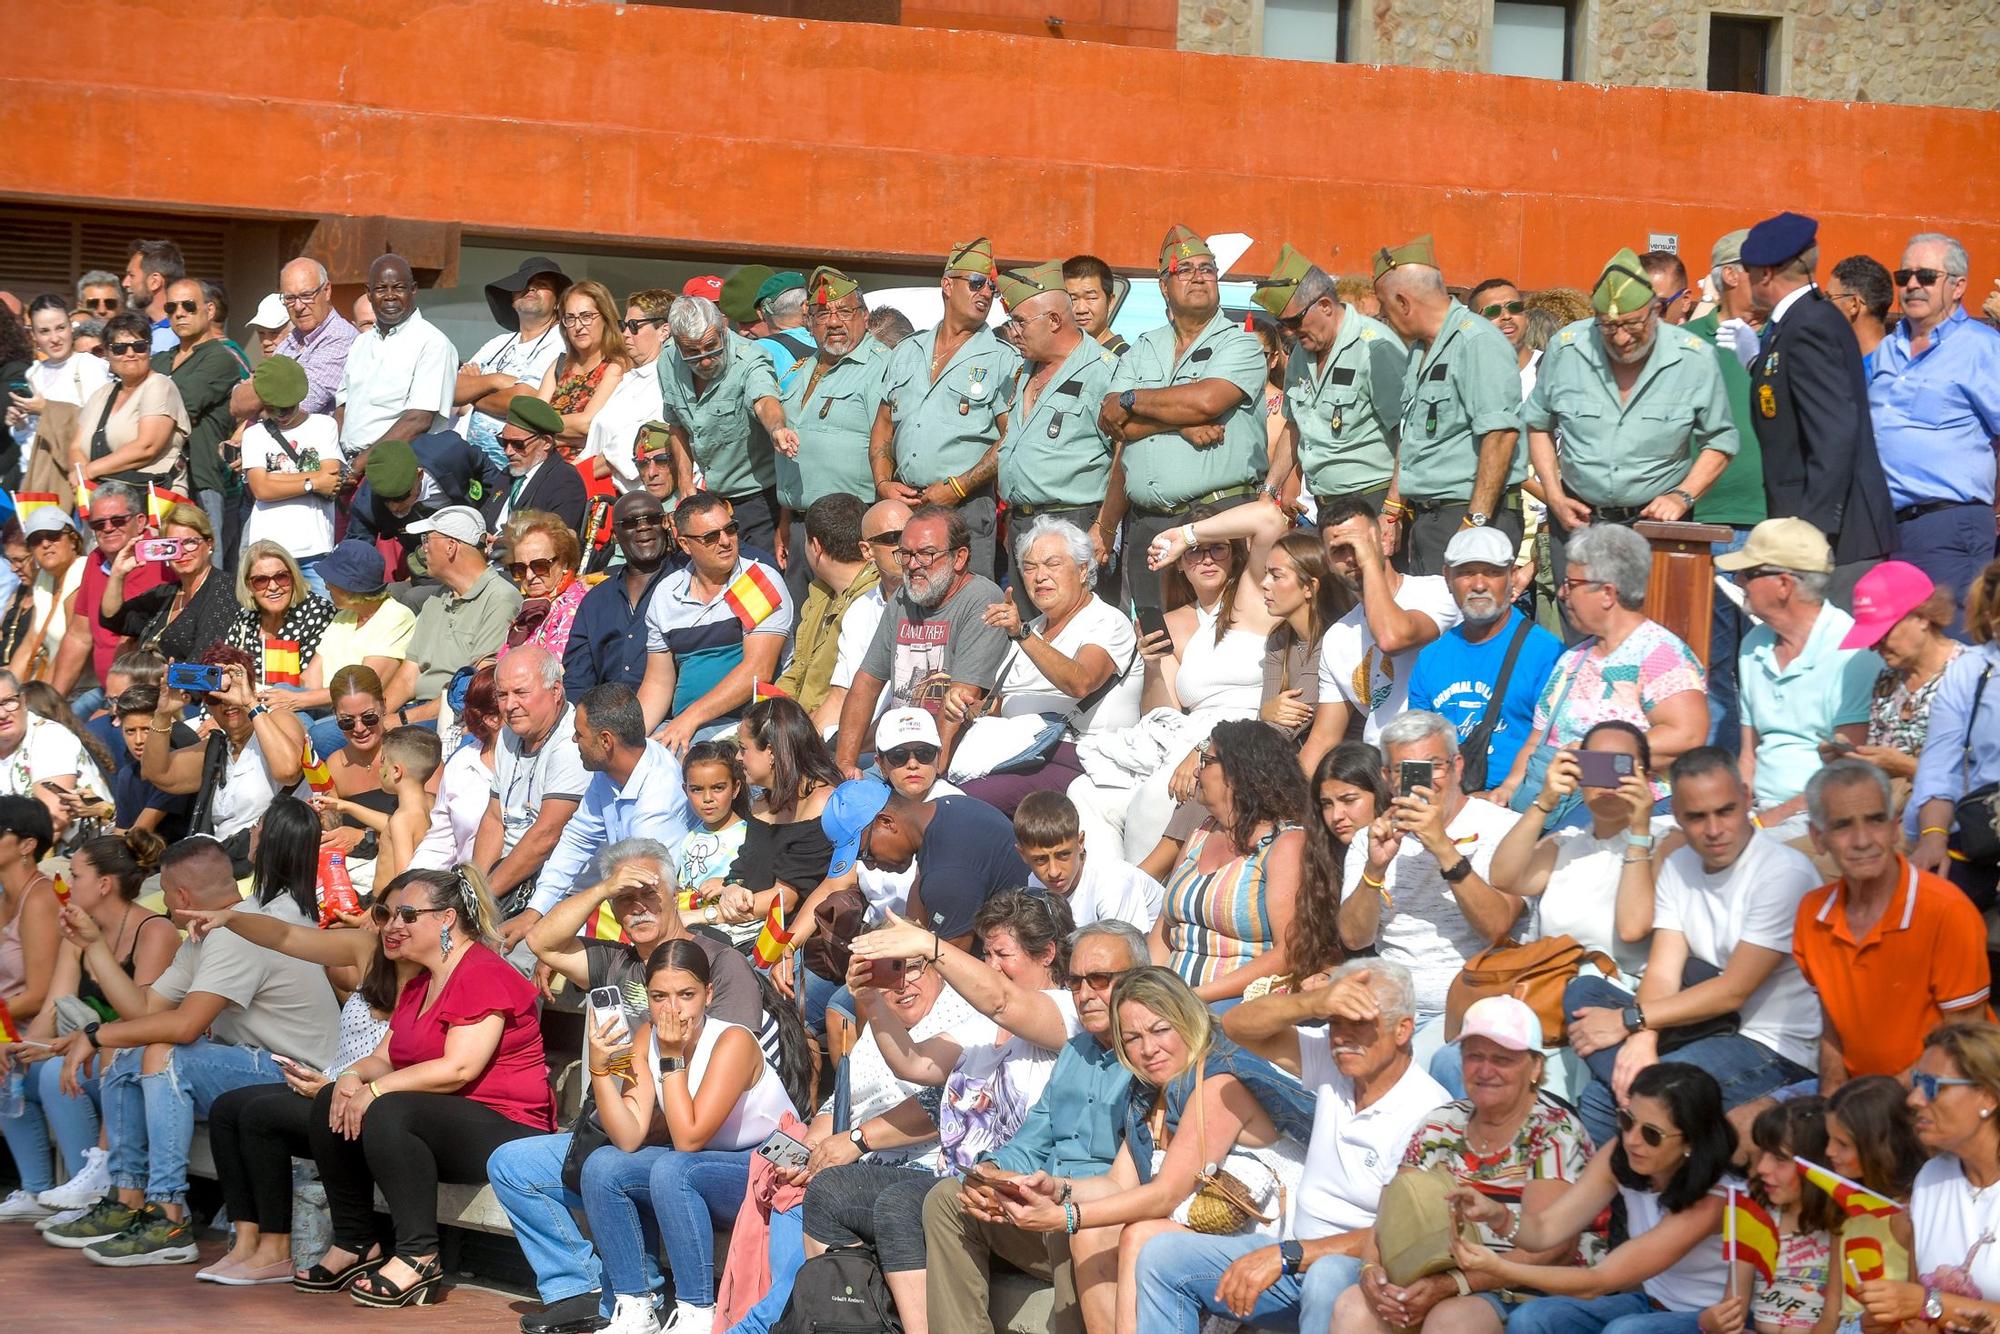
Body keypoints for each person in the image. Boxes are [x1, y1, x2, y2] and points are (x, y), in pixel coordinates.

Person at [498, 838, 772, 1332]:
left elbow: (699, 1106)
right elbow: (540, 940)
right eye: (627, 898)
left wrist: (649, 1103)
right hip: (624, 1119)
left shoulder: (716, 963)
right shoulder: (621, 963)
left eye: (649, 892)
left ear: (674, 893)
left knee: (660, 1165)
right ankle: (600, 1295)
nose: (672, 1006)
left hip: (706, 1138)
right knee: (519, 1164)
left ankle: (692, 1308)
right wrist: (605, 886)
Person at [42, 819, 338, 1265]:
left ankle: (169, 1218)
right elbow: (144, 1009)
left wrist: (94, 1033)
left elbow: (182, 1028)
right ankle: (128, 1200)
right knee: (132, 1050)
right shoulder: (208, 931)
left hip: (299, 1074)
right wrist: (94, 947)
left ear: (180, 897)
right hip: (253, 1066)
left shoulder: (240, 931)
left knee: (163, 1054)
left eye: (164, 893)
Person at [809, 893, 1079, 1334]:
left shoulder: (1066, 1011)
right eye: (986, 953)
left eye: (1003, 954)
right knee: (831, 1189)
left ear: (1047, 953)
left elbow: (1003, 1002)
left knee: (906, 1203)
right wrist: (872, 1000)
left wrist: (929, 946)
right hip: (956, 1185)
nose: (991, 965)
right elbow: (915, 1063)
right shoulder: (980, 1025)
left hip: (1018, 1193)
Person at [1125, 961, 1441, 1333]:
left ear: (1404, 1029)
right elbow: (1237, 1026)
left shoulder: (1427, 1112)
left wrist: (1292, 1255)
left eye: (1361, 1023)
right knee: (1160, 1257)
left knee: (1326, 1276)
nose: (1343, 1036)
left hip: (1360, 1272)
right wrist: (1314, 1002)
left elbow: (1396, 1238)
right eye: (1337, 1022)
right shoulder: (1335, 1062)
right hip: (1296, 1259)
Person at [998, 965, 1316, 1334]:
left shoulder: (1217, 1082)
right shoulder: (1149, 1092)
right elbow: (1119, 1182)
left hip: (1275, 1245)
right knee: (1089, 1234)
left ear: (1188, 1020)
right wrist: (1057, 1191)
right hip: (1212, 1233)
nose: (1148, 1049)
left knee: (1142, 1236)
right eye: (1132, 1038)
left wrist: (1063, 1217)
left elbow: (1165, 1195)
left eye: (1160, 1030)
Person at [303, 867, 553, 1307]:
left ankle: (419, 1256)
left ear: (446, 919)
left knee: (389, 1108)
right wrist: (350, 1077)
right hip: (443, 1123)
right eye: (388, 914)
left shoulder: (482, 971)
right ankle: (356, 1241)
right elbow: (385, 1057)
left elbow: (460, 1067)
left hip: (507, 1128)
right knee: (331, 1099)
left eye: (406, 914)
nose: (392, 925)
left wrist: (376, 1091)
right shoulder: (421, 980)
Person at [1562, 748, 1822, 1149]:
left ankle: (1609, 1185)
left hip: (1775, 1045)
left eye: (1726, 811)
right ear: (1678, 816)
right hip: (1708, 1023)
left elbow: (1735, 988)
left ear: (1748, 799)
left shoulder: (1783, 872)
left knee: (1616, 1098)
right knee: (1582, 993)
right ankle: (1641, 1094)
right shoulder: (1681, 863)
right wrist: (1641, 1038)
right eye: (1697, 817)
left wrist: (1630, 1022)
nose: (1714, 829)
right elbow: (1664, 971)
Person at [920, 918, 1148, 1334]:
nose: (1085, 995)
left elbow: (1137, 1180)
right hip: (1046, 1199)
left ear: (1140, 980)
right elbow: (1032, 1138)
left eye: (1100, 980)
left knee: (1068, 1222)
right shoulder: (1076, 1050)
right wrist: (990, 1172)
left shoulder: (1152, 1057)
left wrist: (1056, 1202)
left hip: (1102, 1216)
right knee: (949, 1199)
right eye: (1076, 983)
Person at [1333, 994, 1603, 1334]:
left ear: (1535, 1068)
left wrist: (1452, 1284)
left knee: (1452, 1322)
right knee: (1353, 1306)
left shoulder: (1553, 1131)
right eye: (1474, 1056)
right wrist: (1372, 1269)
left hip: (1531, 1288)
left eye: (1502, 1059)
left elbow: (1550, 1250)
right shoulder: (1441, 1123)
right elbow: (1390, 1214)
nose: (1485, 1070)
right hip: (1439, 1273)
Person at [580, 937, 796, 1334]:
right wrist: (599, 1071)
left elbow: (689, 1139)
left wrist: (672, 1056)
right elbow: (628, 1136)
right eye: (659, 996)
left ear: (708, 994)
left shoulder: (734, 1041)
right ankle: (635, 1306)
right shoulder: (645, 1037)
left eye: (686, 994)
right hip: (705, 1164)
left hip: (771, 1165)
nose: (672, 1009)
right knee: (602, 1166)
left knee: (674, 1168)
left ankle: (697, 1313)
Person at [1451, 1063, 1735, 1334]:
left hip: (1713, 1319)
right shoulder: (1623, 1154)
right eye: (1627, 1120)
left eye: (1652, 1134)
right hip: (1652, 1305)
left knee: (1625, 1331)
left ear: (1691, 1142)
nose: (1632, 1140)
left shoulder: (1713, 1200)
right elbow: (1545, 1230)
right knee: (1533, 1319)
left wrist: (1497, 1267)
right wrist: (1497, 1214)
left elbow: (1598, 1282)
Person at [1066, 503, 1272, 863]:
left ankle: (1143, 901)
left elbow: (1268, 518)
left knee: (1156, 796)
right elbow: (1165, 713)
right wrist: (1152, 665)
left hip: (1244, 734)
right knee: (1085, 791)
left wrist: (1187, 536)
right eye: (1194, 553)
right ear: (1179, 564)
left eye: (1217, 548)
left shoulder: (1255, 597)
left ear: (1234, 555)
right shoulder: (1172, 621)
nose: (1206, 559)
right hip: (1184, 736)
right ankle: (1113, 903)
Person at [1525, 249, 1737, 586]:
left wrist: (1682, 495)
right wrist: (1553, 494)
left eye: (1633, 325)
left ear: (1656, 311)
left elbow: (1721, 441)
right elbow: (1537, 424)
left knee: (1656, 630)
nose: (1621, 339)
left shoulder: (1693, 358)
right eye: (1608, 328)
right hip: (1577, 520)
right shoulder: (1567, 349)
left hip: (1657, 524)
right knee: (1585, 630)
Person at [0, 828, 175, 1223]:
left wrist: (68, 1045)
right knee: (12, 1066)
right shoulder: (76, 932)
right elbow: (53, 1009)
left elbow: (143, 1019)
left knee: (52, 1075)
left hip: (128, 1053)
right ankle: (37, 1188)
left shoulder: (155, 931)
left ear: (103, 884)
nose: (65, 883)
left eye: (75, 875)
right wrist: (23, 1045)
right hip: (88, 1047)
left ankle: (89, 1187)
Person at [1340, 709, 1523, 1081]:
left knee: (1415, 1075)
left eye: (1432, 766)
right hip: (1388, 1006)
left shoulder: (1502, 828)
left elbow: (1498, 926)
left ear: (1456, 765)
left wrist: (1443, 848)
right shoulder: (1370, 838)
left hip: (1470, 1007)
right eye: (1406, 770)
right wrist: (1374, 870)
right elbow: (1354, 937)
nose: (1422, 781)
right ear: (1389, 778)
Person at [1097, 225, 1270, 613]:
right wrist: (1178, 423)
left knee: (1229, 631)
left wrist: (1133, 399)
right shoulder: (1144, 346)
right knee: (1155, 641)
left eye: (1207, 268)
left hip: (1218, 520)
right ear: (1163, 285)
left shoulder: (1239, 343)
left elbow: (1206, 401)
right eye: (1186, 269)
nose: (1199, 276)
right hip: (1148, 526)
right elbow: (1112, 420)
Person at [1792, 759, 1989, 1092]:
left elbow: (1961, 1043)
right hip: (1859, 1096)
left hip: (1937, 1096)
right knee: (1751, 1127)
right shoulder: (1813, 914)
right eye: (1842, 826)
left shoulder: (1946, 910)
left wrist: (1865, 1111)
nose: (1862, 840)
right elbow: (1832, 1024)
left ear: (1895, 827)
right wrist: (1829, 1100)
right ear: (1818, 837)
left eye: (1875, 820)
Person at [1495, 523, 1709, 822]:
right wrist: (1507, 790)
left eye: (1571, 584)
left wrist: (1592, 756)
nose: (1561, 593)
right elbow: (1537, 741)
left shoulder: (1660, 654)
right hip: (1552, 806)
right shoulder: (1573, 659)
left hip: (1625, 812)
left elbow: (1686, 736)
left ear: (1607, 592)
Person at [1740, 212, 1894, 601]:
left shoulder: (1809, 325)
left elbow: (1834, 432)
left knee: (1836, 655)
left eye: (1748, 270)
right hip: (1819, 532)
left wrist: (1809, 532)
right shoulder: (1796, 322)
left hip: (1836, 541)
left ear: (1767, 274)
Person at [954, 516, 1142, 813]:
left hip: (1078, 755)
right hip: (1017, 753)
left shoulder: (1106, 621)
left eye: (1052, 564)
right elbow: (1003, 706)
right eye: (1029, 567)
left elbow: (1080, 681)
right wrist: (967, 707)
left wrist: (1021, 634)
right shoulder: (1036, 628)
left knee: (960, 805)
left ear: (1082, 570)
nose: (1039, 576)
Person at [1719, 518, 1883, 840]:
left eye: (1749, 573)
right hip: (1761, 814)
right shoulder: (1754, 644)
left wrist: (1767, 821)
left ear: (1784, 584)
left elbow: (1847, 772)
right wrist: (1734, 813)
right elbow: (1748, 756)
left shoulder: (1853, 652)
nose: (1738, 580)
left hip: (1823, 815)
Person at [1370, 235, 1526, 573]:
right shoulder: (1420, 350)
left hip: (1471, 515)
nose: (1384, 316)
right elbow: (1412, 438)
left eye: (1385, 307)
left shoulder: (1477, 341)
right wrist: (1393, 509)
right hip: (1432, 519)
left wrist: (1474, 524)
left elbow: (1500, 436)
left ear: (1403, 302)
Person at [870, 238, 1021, 581]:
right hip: (908, 505)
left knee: (968, 607)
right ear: (948, 285)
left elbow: (1013, 436)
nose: (985, 293)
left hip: (965, 509)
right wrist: (883, 482)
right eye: (977, 283)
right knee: (908, 603)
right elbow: (883, 426)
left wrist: (958, 487)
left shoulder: (1002, 358)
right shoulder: (908, 350)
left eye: (992, 288)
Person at [1867, 232, 2000, 619]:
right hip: (1885, 529)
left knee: (1950, 651)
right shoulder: (1888, 348)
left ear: (1958, 286)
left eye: (1926, 276)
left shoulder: (1982, 348)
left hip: (1948, 525)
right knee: (1896, 653)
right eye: (1903, 275)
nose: (1911, 285)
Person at [833, 503, 1010, 775]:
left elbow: (958, 704)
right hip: (897, 751)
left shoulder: (981, 600)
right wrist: (844, 764)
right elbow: (866, 684)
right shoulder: (904, 598)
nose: (913, 565)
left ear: (959, 558)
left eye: (926, 554)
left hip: (946, 761)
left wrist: (929, 778)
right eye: (905, 554)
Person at [1488, 721, 1661, 992]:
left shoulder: (1666, 842)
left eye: (1620, 767)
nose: (1607, 783)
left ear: (1646, 775)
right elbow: (1503, 878)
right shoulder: (1566, 843)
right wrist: (1544, 801)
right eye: (1596, 766)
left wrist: (1639, 833)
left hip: (1618, 1002)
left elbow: (1633, 928)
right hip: (1550, 994)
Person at [516, 683, 694, 942]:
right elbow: (576, 841)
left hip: (655, 923)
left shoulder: (656, 807)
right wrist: (533, 912)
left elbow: (647, 895)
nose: (574, 740)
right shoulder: (608, 774)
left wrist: (560, 939)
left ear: (606, 741)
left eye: (579, 734)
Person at [1852, 1023, 2000, 1328]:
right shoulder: (1931, 1178)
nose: (1914, 1099)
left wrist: (1927, 1303)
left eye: (1933, 1086)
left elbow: (1924, 1302)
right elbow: (1919, 1318)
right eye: (1917, 1082)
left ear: (1987, 1097)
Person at [1149, 718, 1306, 1005]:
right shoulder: (1200, 834)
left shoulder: (1284, 845)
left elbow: (1290, 952)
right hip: (1175, 1003)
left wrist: (1194, 998)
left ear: (1237, 773)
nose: (1197, 771)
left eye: (1207, 761)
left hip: (1239, 1005)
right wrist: (1151, 994)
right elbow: (1163, 932)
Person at [990, 261, 1121, 605]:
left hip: (1076, 523)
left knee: (1077, 633)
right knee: (1030, 636)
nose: (1013, 332)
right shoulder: (1025, 370)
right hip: (1023, 525)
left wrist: (1104, 528)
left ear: (1054, 320)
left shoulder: (1103, 373)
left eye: (1020, 322)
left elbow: (1125, 455)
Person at [636, 490, 793, 752]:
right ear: (685, 545)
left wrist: (689, 719)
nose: (725, 541)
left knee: (688, 760)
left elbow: (758, 671)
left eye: (730, 529)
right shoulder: (667, 594)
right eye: (711, 536)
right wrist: (630, 740)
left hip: (750, 724)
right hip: (686, 724)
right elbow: (657, 684)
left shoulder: (753, 581)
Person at [1409, 525, 1564, 790]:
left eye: (1492, 573)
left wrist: (1505, 802)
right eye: (1466, 573)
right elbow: (1417, 751)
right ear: (1447, 577)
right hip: (1446, 806)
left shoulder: (1547, 653)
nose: (1479, 585)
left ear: (1513, 577)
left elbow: (1557, 750)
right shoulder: (1430, 658)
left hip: (1519, 808)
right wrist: (1414, 806)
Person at [1255, 247, 1408, 515]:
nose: (1289, 332)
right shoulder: (1302, 354)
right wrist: (1269, 492)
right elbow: (1294, 426)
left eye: (1294, 320)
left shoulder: (1374, 347)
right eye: (1282, 323)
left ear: (1325, 306)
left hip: (1372, 500)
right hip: (1324, 505)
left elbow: (1407, 433)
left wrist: (1392, 509)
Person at [775, 267, 890, 577]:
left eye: (845, 311)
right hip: (801, 525)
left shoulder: (882, 366)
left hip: (852, 525)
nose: (835, 322)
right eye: (823, 314)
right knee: (804, 621)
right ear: (809, 322)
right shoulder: (802, 369)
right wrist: (785, 521)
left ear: (865, 317)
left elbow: (892, 450)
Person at [659, 293, 792, 559]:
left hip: (760, 502)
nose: (705, 360)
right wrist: (685, 484)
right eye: (693, 353)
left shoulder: (750, 357)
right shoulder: (668, 361)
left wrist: (777, 428)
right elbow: (677, 426)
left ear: (723, 328)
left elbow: (764, 401)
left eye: (711, 346)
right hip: (712, 500)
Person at [141, 646, 307, 855]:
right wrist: (163, 714)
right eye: (215, 696)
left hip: (277, 859)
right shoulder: (216, 749)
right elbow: (157, 773)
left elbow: (288, 771)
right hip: (227, 863)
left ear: (251, 686)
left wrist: (249, 703)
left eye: (231, 689)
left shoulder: (278, 719)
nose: (227, 702)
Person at [1910, 558, 2000, 910]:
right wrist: (1933, 836)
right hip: (1986, 831)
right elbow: (1939, 766)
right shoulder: (1971, 670)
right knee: (1929, 898)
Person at [382, 504, 523, 726]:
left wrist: (401, 720)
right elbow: (408, 676)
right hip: (415, 713)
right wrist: (375, 717)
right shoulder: (437, 599)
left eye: (427, 539)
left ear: (451, 547)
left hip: (456, 717)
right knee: (332, 732)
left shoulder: (500, 599)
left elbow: (475, 688)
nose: (423, 549)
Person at [473, 645, 586, 919]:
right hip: (507, 881)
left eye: (521, 693)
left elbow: (546, 837)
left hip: (558, 890)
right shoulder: (508, 735)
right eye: (502, 695)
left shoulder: (573, 743)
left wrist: (481, 900)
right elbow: (494, 818)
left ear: (556, 691)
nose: (510, 705)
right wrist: (474, 889)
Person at [280, 539, 417, 758]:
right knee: (277, 701)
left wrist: (296, 701)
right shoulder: (343, 616)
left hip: (356, 714)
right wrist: (274, 694)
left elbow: (364, 689)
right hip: (322, 705)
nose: (325, 586)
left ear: (350, 587)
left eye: (331, 581)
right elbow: (311, 678)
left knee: (312, 731)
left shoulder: (396, 616)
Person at [1832, 560, 1962, 786]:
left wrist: (1908, 768)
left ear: (1922, 617)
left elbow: (1984, 782)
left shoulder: (1974, 676)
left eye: (1883, 633)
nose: (1873, 646)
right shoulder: (1888, 680)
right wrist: (1849, 760)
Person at [335, 254, 457, 471]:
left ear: (414, 290)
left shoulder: (432, 343)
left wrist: (360, 465)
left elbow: (418, 420)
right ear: (369, 293)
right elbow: (343, 406)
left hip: (394, 471)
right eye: (381, 289)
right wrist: (338, 460)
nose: (390, 296)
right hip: (348, 468)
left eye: (398, 288)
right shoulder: (360, 343)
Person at [151, 276, 247, 547]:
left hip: (202, 482)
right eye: (172, 308)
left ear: (210, 310)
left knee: (206, 570)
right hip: (158, 480)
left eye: (189, 306)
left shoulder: (219, 358)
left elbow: (177, 407)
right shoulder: (160, 359)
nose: (179, 313)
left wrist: (152, 406)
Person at [239, 354, 341, 593]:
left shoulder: (324, 426)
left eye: (288, 407)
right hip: (268, 552)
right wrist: (312, 482)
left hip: (315, 550)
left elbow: (332, 478)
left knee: (320, 622)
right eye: (272, 407)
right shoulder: (254, 435)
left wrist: (274, 479)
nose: (281, 413)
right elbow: (261, 489)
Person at [563, 490, 678, 701]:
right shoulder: (594, 601)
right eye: (630, 522)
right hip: (606, 721)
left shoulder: (689, 581)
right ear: (615, 535)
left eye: (652, 519)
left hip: (674, 719)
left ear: (665, 524)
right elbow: (577, 680)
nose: (643, 527)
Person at [456, 256, 571, 466]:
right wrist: (495, 381)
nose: (531, 289)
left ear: (557, 303)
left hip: (510, 464)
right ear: (512, 299)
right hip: (465, 460)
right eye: (523, 285)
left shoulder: (561, 341)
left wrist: (472, 398)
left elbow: (524, 400)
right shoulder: (497, 343)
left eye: (542, 285)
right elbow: (453, 390)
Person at [772, 492, 878, 717]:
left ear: (816, 546)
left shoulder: (873, 601)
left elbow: (839, 702)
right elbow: (796, 672)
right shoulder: (820, 595)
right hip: (792, 724)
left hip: (820, 737)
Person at [99, 502, 236, 665]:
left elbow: (204, 658)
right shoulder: (166, 593)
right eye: (173, 546)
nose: (183, 552)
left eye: (191, 542)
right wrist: (117, 574)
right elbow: (113, 619)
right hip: (149, 684)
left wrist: (168, 689)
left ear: (209, 544)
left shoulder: (224, 587)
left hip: (183, 688)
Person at [68, 311, 188, 493]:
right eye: (119, 348)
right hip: (104, 501)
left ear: (149, 350)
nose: (130, 353)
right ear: (107, 353)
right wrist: (79, 474)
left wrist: (89, 471)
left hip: (152, 500)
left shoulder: (159, 385)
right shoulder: (101, 394)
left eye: (139, 346)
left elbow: (147, 447)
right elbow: (76, 446)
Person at [343, 431, 510, 562]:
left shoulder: (451, 452)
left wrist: (492, 521)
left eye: (401, 497)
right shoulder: (366, 502)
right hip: (421, 549)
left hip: (478, 527)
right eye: (386, 499)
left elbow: (493, 480)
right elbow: (356, 551)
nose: (394, 507)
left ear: (419, 475)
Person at [1013, 790, 1163, 931]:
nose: (1054, 871)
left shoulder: (1113, 883)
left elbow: (1128, 953)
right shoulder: (1035, 884)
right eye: (1040, 859)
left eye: (1063, 855)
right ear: (1022, 854)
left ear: (1080, 842)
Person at [580, 288, 671, 494]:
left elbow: (633, 447)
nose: (625, 334)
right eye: (623, 325)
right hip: (599, 490)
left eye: (634, 326)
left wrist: (575, 475)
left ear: (664, 331)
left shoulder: (667, 381)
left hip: (635, 500)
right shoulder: (630, 379)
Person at [535, 279, 629, 460]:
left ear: (605, 318)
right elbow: (531, 419)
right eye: (570, 318)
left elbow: (587, 423)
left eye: (586, 316)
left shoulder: (616, 366)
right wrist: (565, 435)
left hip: (582, 471)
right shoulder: (559, 365)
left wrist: (543, 433)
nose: (578, 326)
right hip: (543, 467)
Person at [226, 540, 336, 691]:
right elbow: (226, 669)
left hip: (296, 707)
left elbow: (308, 685)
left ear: (293, 576)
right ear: (249, 585)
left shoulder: (318, 612)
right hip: (247, 705)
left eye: (281, 577)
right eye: (261, 580)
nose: (273, 587)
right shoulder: (246, 616)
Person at [255, 258, 357, 416]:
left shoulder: (341, 338)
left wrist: (257, 406)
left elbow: (298, 405)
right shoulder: (292, 339)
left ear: (327, 290)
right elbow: (237, 405)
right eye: (290, 298)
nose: (298, 306)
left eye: (307, 295)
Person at [498, 508, 588, 662]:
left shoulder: (575, 608)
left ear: (564, 561)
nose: (529, 576)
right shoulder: (533, 605)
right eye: (519, 568)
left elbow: (552, 671)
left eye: (540, 566)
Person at [102, 686, 192, 839]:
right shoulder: (127, 774)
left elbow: (141, 830)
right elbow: (121, 833)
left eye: (146, 730)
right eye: (130, 731)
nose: (138, 741)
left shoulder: (177, 767)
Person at [8, 509, 86, 685]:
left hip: (84, 687)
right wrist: (7, 692)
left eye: (53, 535)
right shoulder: (44, 578)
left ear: (73, 540)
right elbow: (30, 643)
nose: (45, 544)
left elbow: (71, 649)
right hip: (50, 684)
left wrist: (44, 706)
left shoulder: (83, 573)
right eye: (36, 540)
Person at [495, 397, 588, 534]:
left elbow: (555, 542)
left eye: (518, 444)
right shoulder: (509, 473)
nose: (508, 451)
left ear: (546, 442)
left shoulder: (565, 482)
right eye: (503, 442)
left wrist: (500, 544)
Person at [1826, 254, 1894, 369]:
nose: (1823, 306)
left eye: (1829, 298)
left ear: (1854, 305)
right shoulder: (1894, 363)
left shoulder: (1875, 376)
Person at [1062, 253, 1128, 357]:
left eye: (1091, 298)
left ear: (1110, 302)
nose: (1081, 309)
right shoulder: (1054, 359)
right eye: (1072, 299)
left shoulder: (1126, 360)